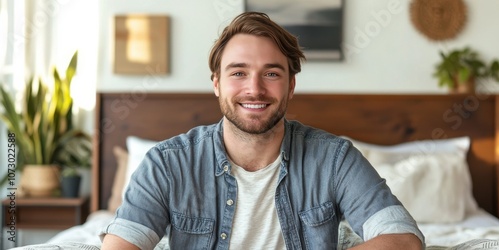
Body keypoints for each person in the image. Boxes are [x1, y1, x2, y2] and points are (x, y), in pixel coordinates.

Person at [101, 12, 424, 249]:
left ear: (290, 85)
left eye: (270, 74)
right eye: (238, 72)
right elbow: (120, 246)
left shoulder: (334, 158)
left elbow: (403, 240)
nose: (254, 89)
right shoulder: (167, 163)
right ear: (216, 83)